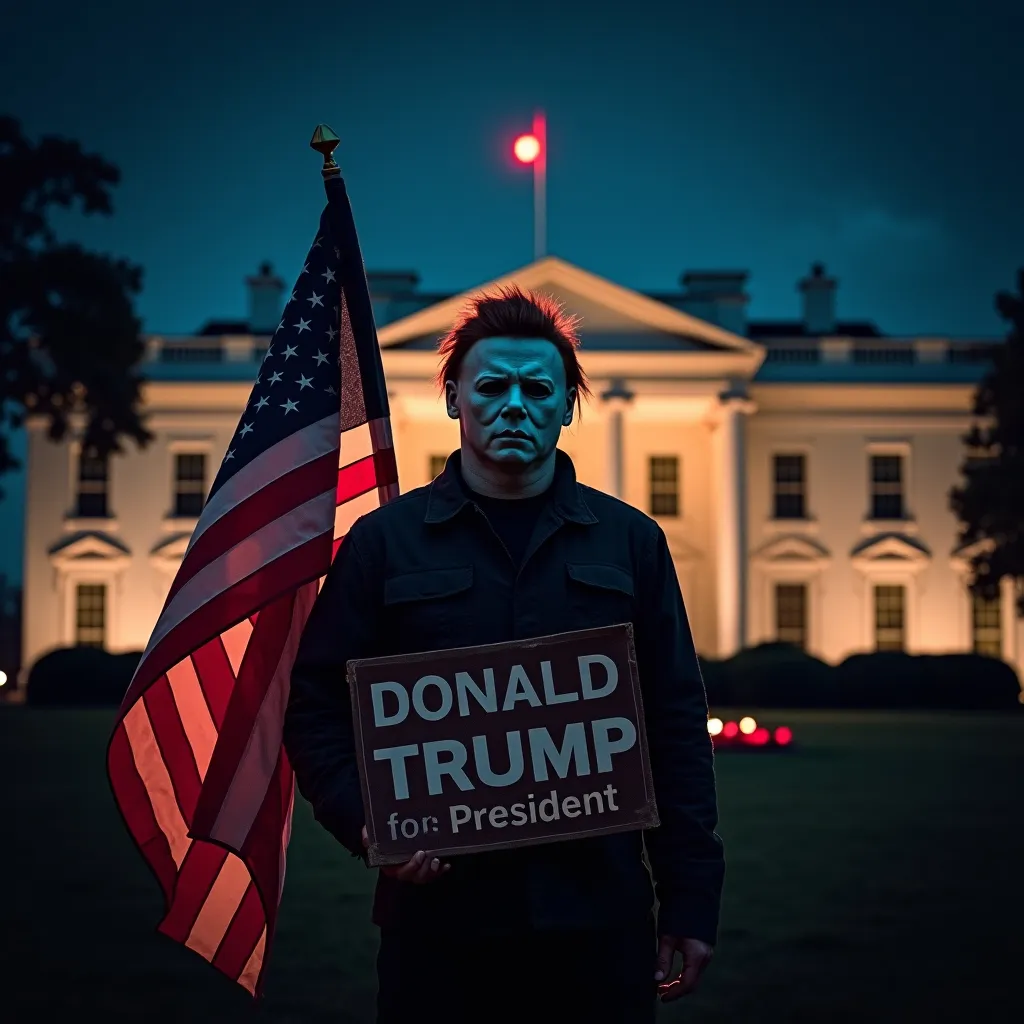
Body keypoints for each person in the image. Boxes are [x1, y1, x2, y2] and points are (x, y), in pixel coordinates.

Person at [283, 285, 725, 1023]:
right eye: (491, 385)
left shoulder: (631, 542)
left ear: (566, 408)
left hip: (598, 922)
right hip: (440, 930)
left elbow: (675, 724)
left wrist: (690, 898)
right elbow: (316, 707)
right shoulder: (385, 544)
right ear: (455, 399)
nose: (514, 403)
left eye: (537, 387)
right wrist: (370, 824)